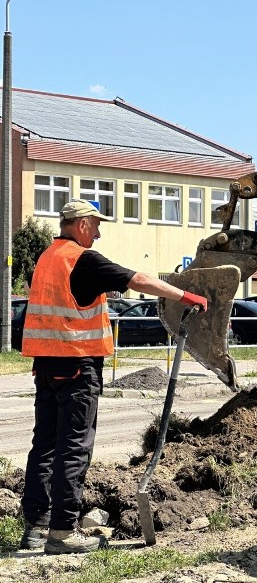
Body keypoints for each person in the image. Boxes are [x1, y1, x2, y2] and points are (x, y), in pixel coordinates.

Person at [19, 199, 208, 554]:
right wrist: (184, 295)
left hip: (46, 366)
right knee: (74, 447)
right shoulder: (83, 259)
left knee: (44, 446)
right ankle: (62, 533)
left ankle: (36, 529)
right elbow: (137, 279)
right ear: (83, 225)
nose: (99, 232)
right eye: (97, 225)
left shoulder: (47, 257)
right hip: (77, 364)